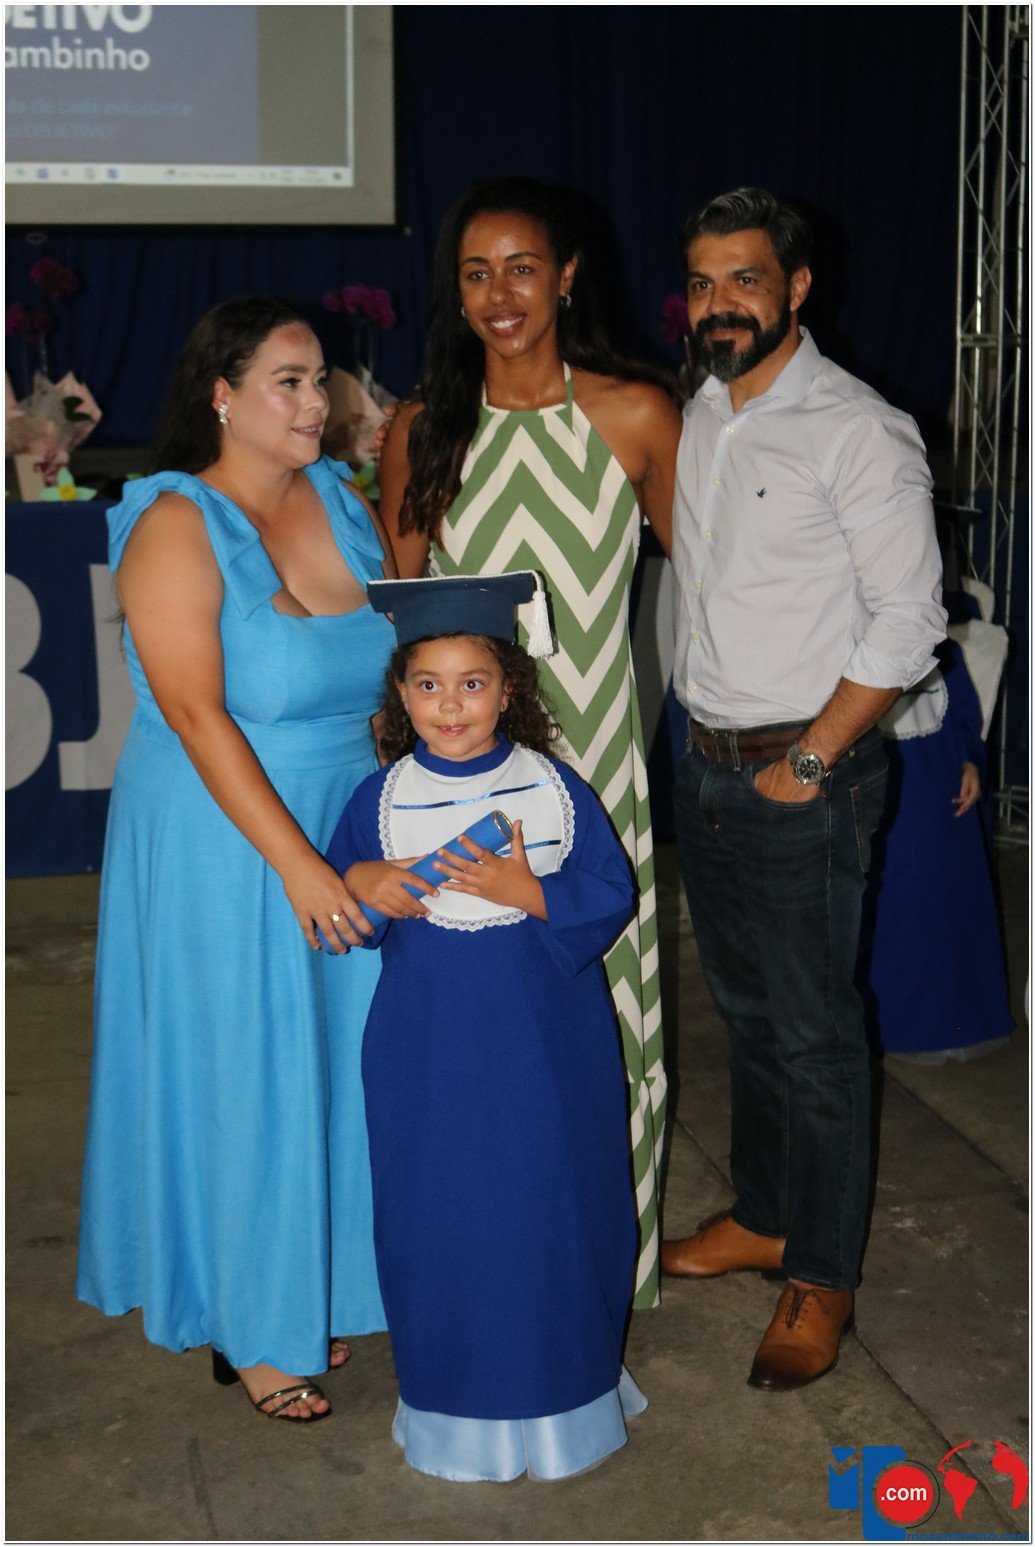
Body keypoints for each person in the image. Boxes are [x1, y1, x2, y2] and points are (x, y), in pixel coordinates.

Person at [76, 296, 397, 1422]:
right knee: (245, 1069)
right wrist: (298, 864)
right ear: (223, 393)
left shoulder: (343, 501)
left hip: (342, 812)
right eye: (288, 382)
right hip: (225, 834)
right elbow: (195, 714)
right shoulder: (174, 519)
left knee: (336, 1066)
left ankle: (311, 1282)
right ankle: (250, 1322)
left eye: (321, 380)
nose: (318, 401)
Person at [379, 176, 683, 1308]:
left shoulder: (636, 414)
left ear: (565, 277)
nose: (499, 294)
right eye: (475, 272)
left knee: (612, 1019)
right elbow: (405, 616)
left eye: (520, 268)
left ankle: (610, 1266)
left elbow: (722, 582)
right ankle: (493, 1255)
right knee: (487, 1029)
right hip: (468, 775)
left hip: (599, 764)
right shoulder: (425, 428)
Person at [662, 188, 946, 1389]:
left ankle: (821, 1272)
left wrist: (813, 760)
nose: (720, 303)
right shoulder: (701, 410)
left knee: (817, 1033)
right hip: (708, 765)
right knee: (748, 1013)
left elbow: (910, 621)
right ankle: (766, 1213)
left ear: (796, 287)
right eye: (703, 283)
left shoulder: (857, 428)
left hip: (804, 775)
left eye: (744, 279)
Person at [324, 571, 645, 1481]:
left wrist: (525, 889)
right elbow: (347, 908)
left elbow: (608, 892)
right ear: (400, 694)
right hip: (426, 1052)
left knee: (551, 1206)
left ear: (509, 689)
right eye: (428, 684)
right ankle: (453, 1405)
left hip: (546, 1048)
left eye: (473, 682)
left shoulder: (550, 787)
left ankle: (565, 1396)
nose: (450, 705)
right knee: (441, 1214)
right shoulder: (379, 798)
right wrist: (360, 882)